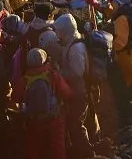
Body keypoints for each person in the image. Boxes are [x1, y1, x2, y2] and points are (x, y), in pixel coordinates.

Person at [19, 48, 71, 159]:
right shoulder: (52, 75)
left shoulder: (25, 79)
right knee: (57, 148)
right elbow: (65, 92)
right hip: (54, 118)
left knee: (34, 149)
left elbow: (15, 97)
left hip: (34, 121)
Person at [54, 14, 94, 158]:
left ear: (65, 30)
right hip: (77, 91)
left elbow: (77, 72)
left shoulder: (76, 47)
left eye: (59, 31)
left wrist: (60, 72)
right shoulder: (71, 43)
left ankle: (86, 152)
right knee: (76, 122)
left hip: (79, 92)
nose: (57, 34)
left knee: (76, 124)